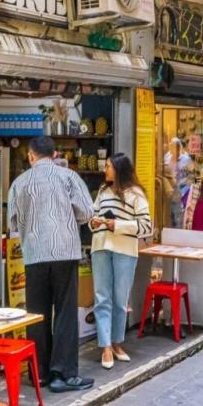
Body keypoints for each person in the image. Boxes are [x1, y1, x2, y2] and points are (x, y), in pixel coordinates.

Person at [7, 136, 95, 393]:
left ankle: (41, 373)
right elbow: (87, 213)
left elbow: (13, 222)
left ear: (31, 156)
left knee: (37, 313)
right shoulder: (68, 177)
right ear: (55, 154)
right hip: (64, 252)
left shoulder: (19, 183)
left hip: (34, 254)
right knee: (65, 311)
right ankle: (64, 374)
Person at [90, 154, 152, 370]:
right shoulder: (102, 191)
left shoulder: (136, 194)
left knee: (119, 298)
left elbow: (146, 227)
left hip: (125, 249)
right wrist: (95, 222)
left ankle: (116, 342)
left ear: (119, 169)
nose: (105, 170)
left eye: (108, 166)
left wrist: (116, 224)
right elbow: (92, 216)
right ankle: (105, 345)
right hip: (100, 247)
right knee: (101, 297)